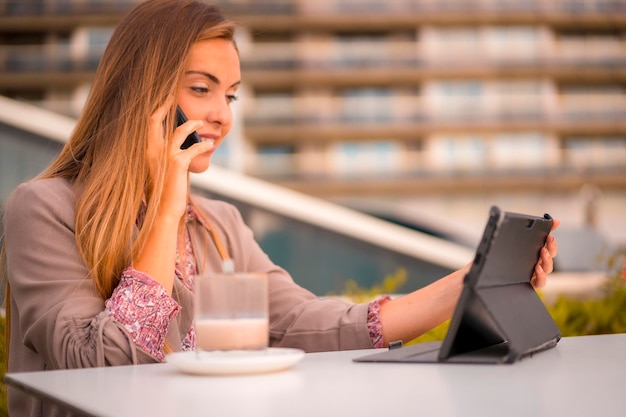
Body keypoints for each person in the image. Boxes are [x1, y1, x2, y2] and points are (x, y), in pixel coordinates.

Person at [0, 0, 559, 415]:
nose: (222, 115)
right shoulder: (43, 210)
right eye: (202, 89)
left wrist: (466, 285)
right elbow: (103, 369)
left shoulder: (220, 224)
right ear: (139, 94)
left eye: (232, 94)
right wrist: (168, 203)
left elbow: (300, 323)